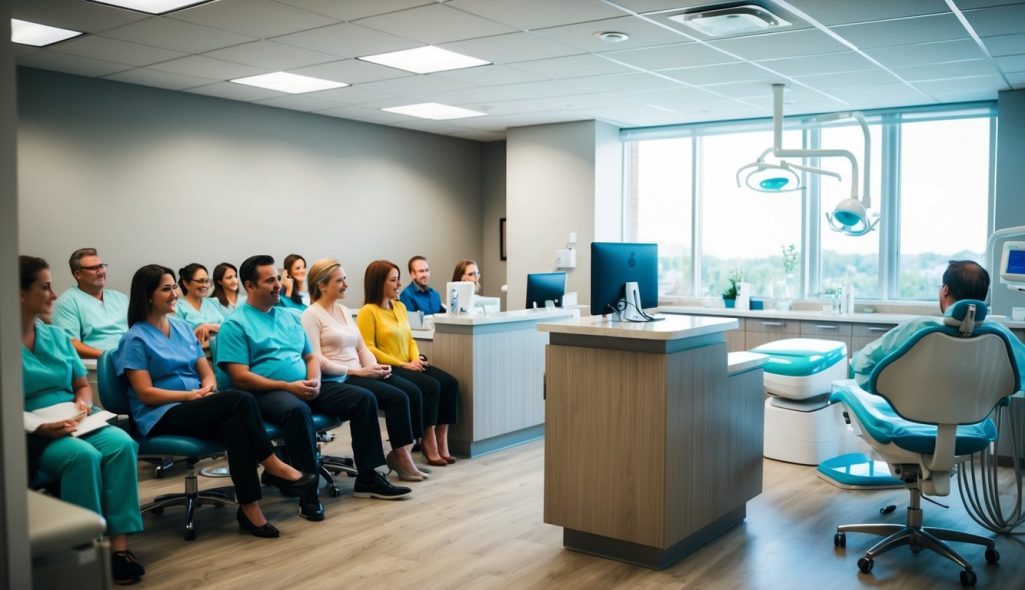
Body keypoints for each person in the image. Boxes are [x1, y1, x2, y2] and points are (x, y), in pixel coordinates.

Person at [116, 264, 317, 539]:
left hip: (194, 404)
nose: (174, 293)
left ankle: (250, 510)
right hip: (160, 413)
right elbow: (145, 394)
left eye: (174, 286)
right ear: (147, 296)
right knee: (241, 400)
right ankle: (273, 464)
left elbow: (206, 371)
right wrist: (189, 395)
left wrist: (208, 386)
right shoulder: (135, 339)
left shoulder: (182, 328)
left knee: (236, 425)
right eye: (166, 288)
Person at [217, 255, 411, 521]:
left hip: (307, 384)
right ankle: (308, 494)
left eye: (277, 278)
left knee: (363, 398)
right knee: (297, 411)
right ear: (250, 286)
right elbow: (239, 378)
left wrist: (315, 379)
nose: (277, 284)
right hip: (266, 393)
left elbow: (310, 357)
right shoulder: (236, 324)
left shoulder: (288, 316)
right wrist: (289, 386)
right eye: (270, 280)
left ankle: (368, 477)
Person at [20, 255, 145, 584]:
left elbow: (79, 385)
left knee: (121, 444)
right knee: (83, 456)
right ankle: (85, 547)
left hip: (74, 416)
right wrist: (39, 426)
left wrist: (81, 404)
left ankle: (119, 547)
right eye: (45, 287)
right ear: (19, 294)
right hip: (30, 428)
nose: (54, 295)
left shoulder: (54, 337)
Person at [302, 259, 429, 481]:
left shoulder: (342, 310)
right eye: (339, 280)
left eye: (345, 279)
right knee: (395, 397)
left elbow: (362, 348)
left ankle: (404, 452)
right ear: (322, 285)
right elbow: (316, 360)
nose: (346, 284)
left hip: (360, 372)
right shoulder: (311, 315)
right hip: (339, 378)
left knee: (412, 390)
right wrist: (357, 372)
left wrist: (374, 367)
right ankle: (401, 458)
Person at [852, 260, 1025, 384]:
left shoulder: (920, 328)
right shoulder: (999, 334)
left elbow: (864, 362)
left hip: (912, 413)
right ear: (984, 295)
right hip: (975, 418)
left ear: (945, 290)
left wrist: (853, 361)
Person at [357, 260, 461, 467]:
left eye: (398, 279)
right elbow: (369, 348)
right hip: (391, 366)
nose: (398, 285)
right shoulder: (368, 312)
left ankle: (442, 442)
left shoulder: (400, 307)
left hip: (409, 362)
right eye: (393, 280)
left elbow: (410, 339)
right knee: (431, 387)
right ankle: (428, 442)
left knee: (450, 383)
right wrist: (403, 364)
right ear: (379, 283)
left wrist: (415, 358)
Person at [52, 247, 128, 359]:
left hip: (132, 360)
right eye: (93, 268)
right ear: (78, 274)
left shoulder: (120, 298)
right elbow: (70, 343)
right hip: (97, 364)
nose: (101, 272)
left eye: (101, 266)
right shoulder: (67, 303)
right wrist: (109, 356)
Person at [175, 263, 224, 348]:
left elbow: (230, 328)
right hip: (198, 356)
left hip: (225, 351)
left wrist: (209, 326)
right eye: (200, 281)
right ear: (186, 283)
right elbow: (178, 341)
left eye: (207, 281)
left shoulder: (214, 302)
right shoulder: (177, 308)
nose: (205, 285)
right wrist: (198, 330)